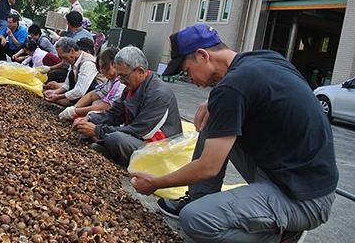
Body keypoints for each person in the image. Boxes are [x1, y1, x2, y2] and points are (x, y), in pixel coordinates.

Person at [130, 25, 338, 243]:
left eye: (186, 70)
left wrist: (156, 183)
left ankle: (282, 236)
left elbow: (209, 167)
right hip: (296, 173)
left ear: (203, 55)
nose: (188, 78)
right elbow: (253, 90)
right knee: (215, 121)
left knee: (195, 219)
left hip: (303, 199)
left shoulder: (231, 89)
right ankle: (200, 197)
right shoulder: (262, 59)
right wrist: (214, 101)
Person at [72, 46, 183, 167]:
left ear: (140, 71)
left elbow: (139, 131)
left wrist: (96, 130)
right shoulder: (131, 88)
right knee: (94, 131)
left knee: (115, 138)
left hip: (159, 147)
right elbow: (114, 114)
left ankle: (110, 148)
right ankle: (109, 148)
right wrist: (89, 119)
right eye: (119, 76)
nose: (121, 81)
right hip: (138, 137)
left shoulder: (159, 94)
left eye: (123, 76)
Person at [59, 47, 125, 120]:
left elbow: (104, 107)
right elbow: (92, 95)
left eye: (103, 67)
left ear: (113, 64)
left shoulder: (120, 83)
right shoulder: (111, 81)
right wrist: (75, 107)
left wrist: (75, 111)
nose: (102, 71)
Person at [43, 37, 105, 106]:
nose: (64, 60)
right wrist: (54, 92)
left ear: (72, 51)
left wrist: (58, 96)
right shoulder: (74, 61)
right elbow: (67, 84)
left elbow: (80, 91)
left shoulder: (87, 63)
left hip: (95, 95)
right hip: (82, 92)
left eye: (64, 57)